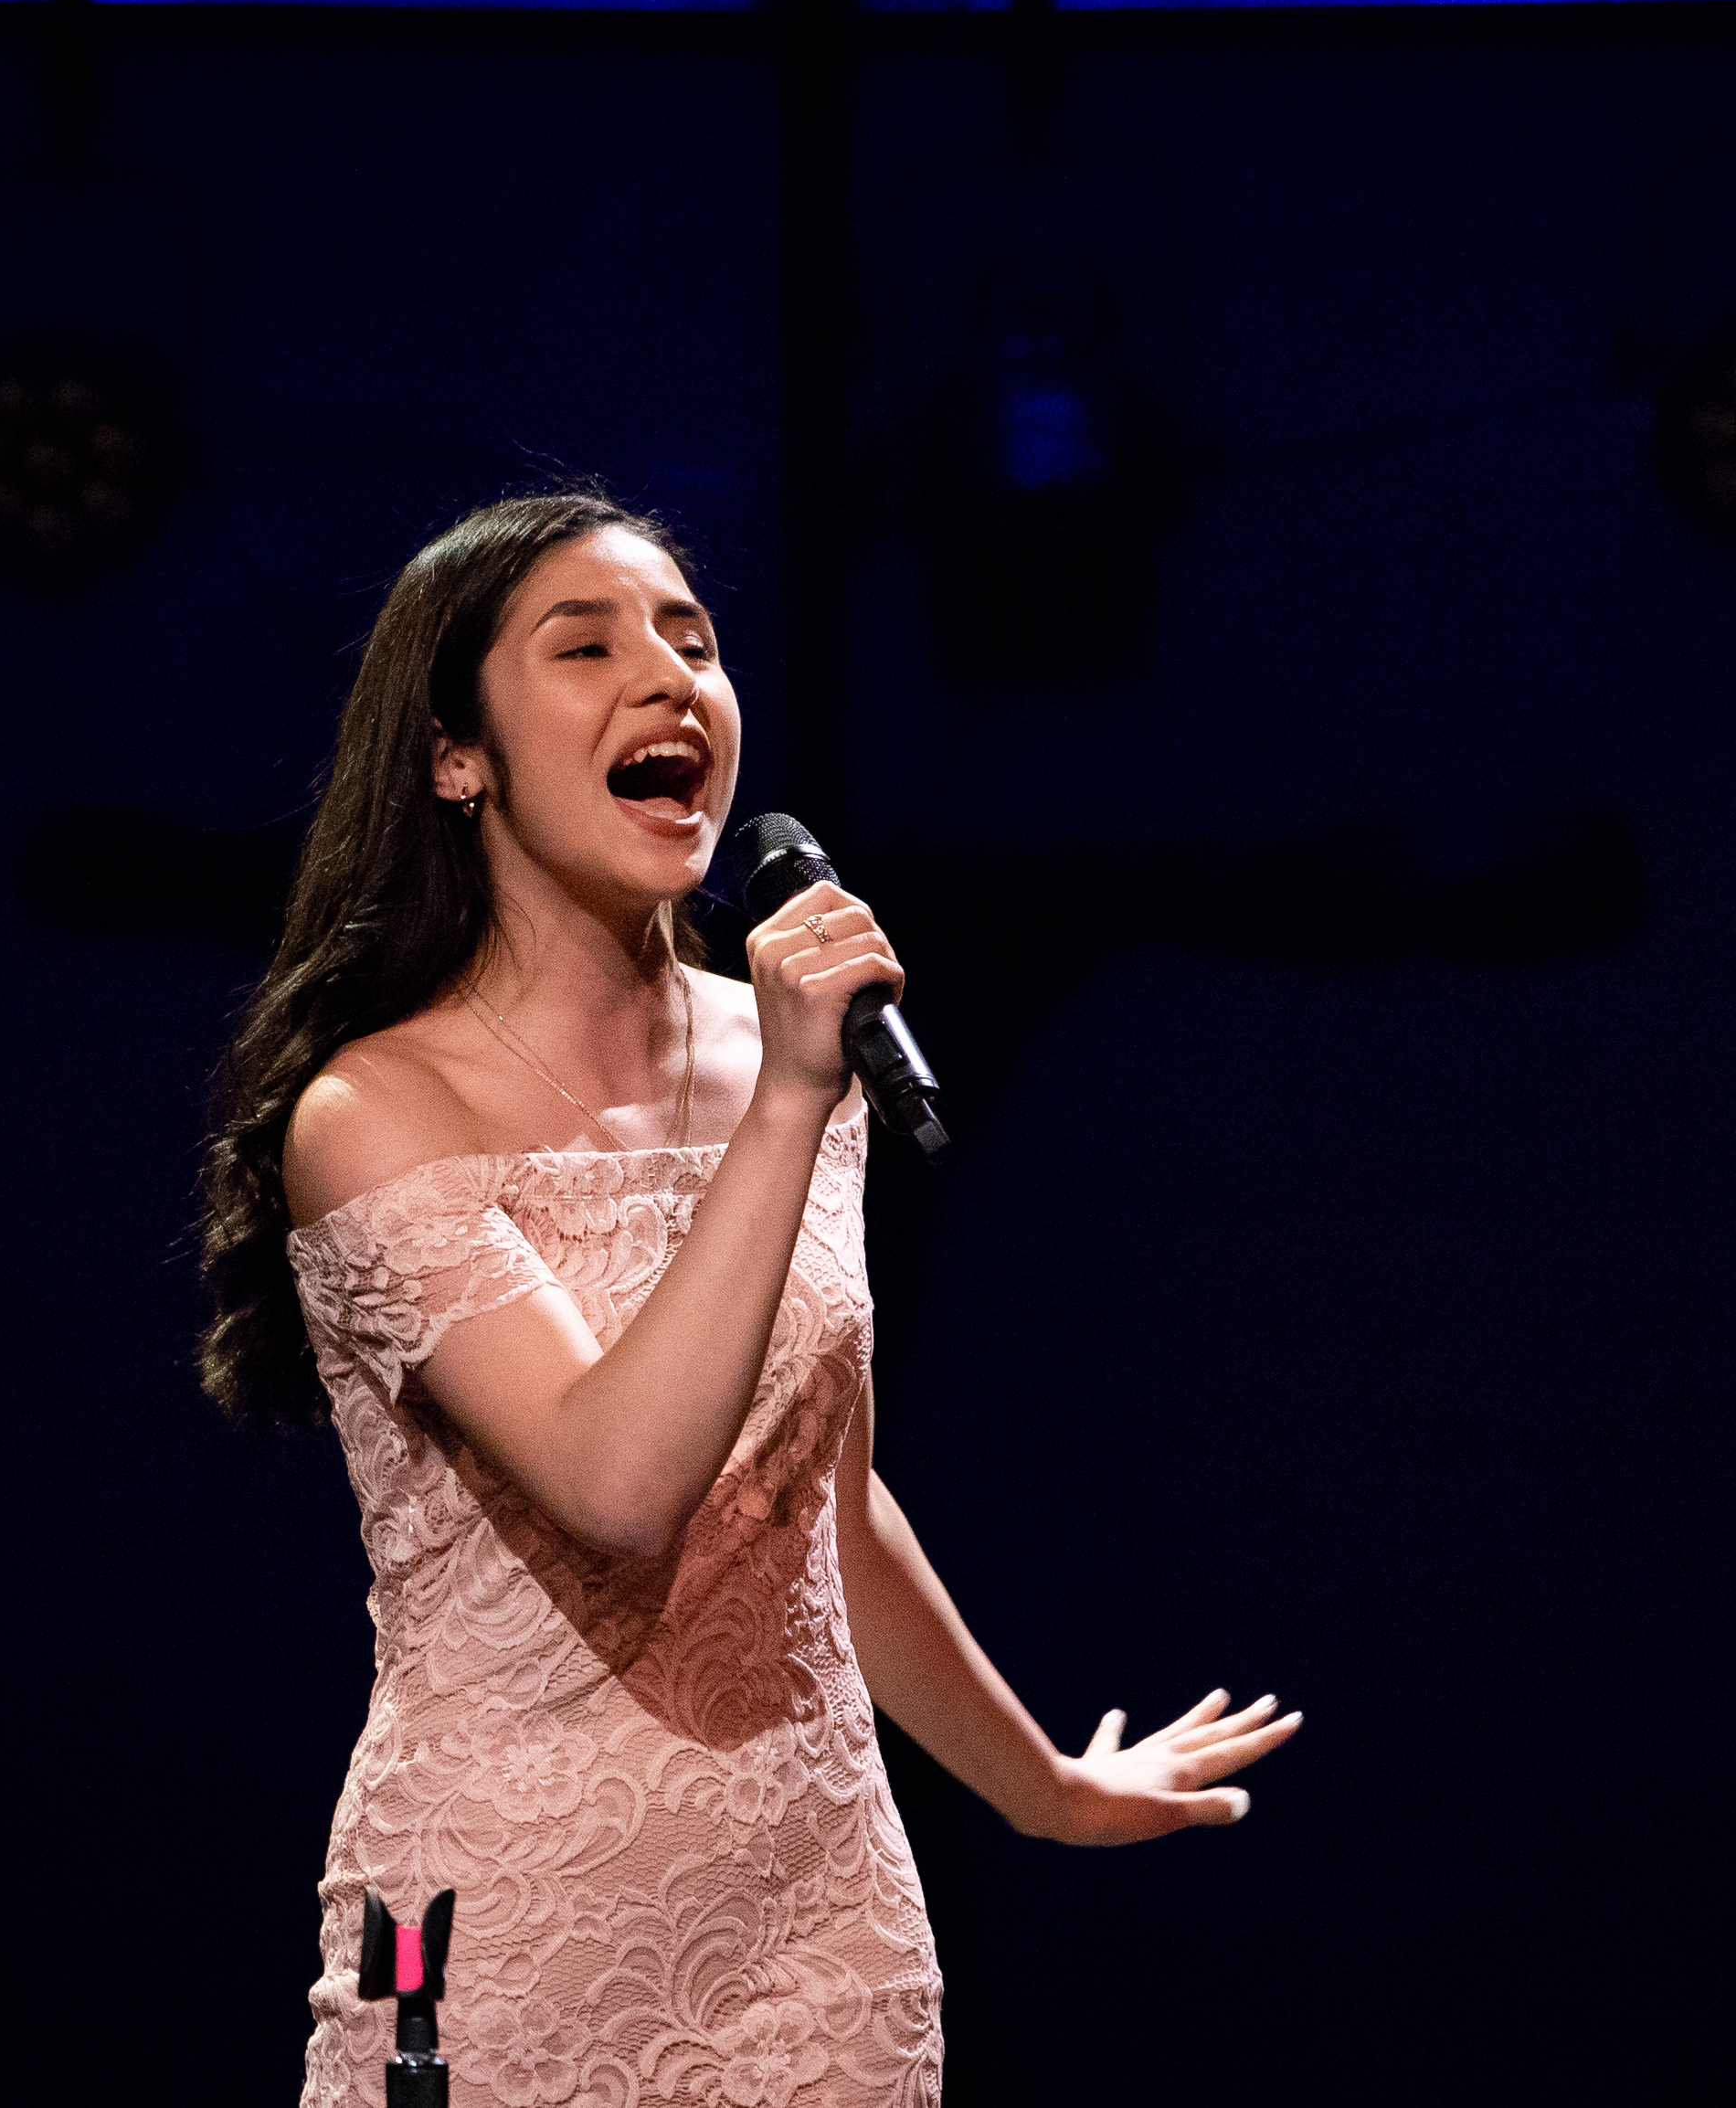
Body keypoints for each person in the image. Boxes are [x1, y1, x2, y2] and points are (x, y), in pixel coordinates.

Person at [198, 491, 1301, 2107]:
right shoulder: (376, 1116)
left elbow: (821, 1510)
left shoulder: (791, 1066)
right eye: (586, 647)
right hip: (503, 1934)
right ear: (458, 758)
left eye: (693, 643)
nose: (668, 681)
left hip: (818, 1933)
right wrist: (786, 1103)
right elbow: (620, 1485)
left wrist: (1045, 1791)